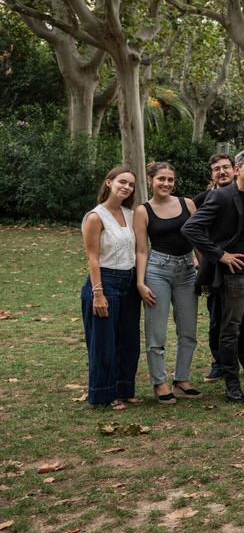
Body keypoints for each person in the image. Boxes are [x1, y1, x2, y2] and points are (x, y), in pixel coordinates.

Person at [182, 149, 244, 402]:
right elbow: (191, 227)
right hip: (236, 276)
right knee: (231, 331)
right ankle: (232, 384)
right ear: (237, 169)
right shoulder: (221, 196)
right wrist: (220, 255)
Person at [134, 162, 200, 405]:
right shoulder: (143, 211)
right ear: (150, 180)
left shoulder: (187, 204)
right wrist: (141, 283)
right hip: (157, 271)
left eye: (170, 180)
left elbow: (199, 237)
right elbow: (141, 249)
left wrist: (202, 269)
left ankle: (182, 379)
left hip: (187, 271)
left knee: (188, 330)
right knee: (157, 332)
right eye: (161, 179)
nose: (166, 184)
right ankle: (159, 382)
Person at [80, 166, 141, 409]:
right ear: (109, 183)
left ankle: (124, 389)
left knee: (128, 340)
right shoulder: (95, 217)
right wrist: (98, 293)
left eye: (131, 185)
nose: (126, 187)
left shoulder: (130, 214)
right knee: (104, 342)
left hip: (129, 282)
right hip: (105, 282)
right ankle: (103, 395)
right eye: (122, 182)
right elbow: (92, 258)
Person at [195, 153, 244, 382]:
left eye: (226, 167)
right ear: (212, 174)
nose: (222, 171)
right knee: (216, 318)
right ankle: (219, 362)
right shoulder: (202, 199)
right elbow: (194, 232)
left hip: (243, 267)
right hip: (215, 267)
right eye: (216, 168)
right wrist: (202, 258)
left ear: (235, 169)